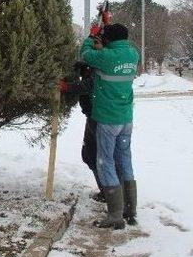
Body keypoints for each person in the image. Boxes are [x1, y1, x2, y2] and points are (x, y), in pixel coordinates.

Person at [81, 23, 139, 229]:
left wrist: (91, 37)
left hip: (107, 119)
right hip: (126, 119)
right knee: (124, 160)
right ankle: (130, 209)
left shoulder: (105, 57)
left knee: (105, 162)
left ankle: (115, 215)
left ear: (109, 40)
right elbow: (113, 56)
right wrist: (104, 43)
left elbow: (85, 54)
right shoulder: (133, 54)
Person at [60, 62, 105, 202]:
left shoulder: (105, 61)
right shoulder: (94, 61)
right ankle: (107, 191)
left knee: (100, 157)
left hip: (101, 117)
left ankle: (110, 193)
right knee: (89, 154)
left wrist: (67, 87)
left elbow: (91, 84)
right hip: (93, 116)